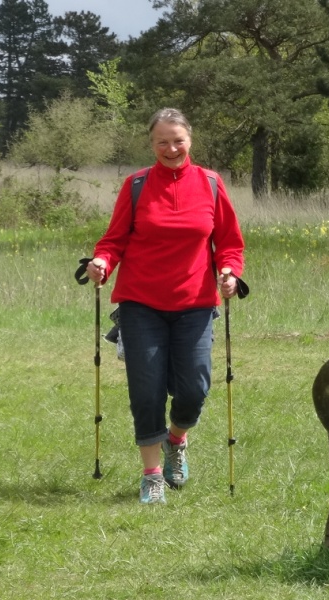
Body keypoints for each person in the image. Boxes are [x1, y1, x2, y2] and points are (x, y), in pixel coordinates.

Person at [86, 108, 245, 505]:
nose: (171, 148)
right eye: (162, 142)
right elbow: (113, 239)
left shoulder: (210, 183)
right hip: (141, 304)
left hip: (194, 303)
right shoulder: (136, 184)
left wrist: (229, 271)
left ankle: (177, 439)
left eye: (178, 140)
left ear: (190, 139)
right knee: (146, 390)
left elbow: (229, 242)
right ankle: (152, 474)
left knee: (194, 387)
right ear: (151, 143)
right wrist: (102, 262)